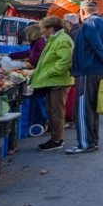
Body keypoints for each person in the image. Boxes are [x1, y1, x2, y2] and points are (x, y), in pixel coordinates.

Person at [67, 0, 103, 155]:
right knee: (93, 108)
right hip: (98, 70)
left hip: (88, 71)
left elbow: (96, 45)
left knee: (83, 108)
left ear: (82, 11)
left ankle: (85, 143)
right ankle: (92, 141)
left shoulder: (89, 24)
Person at [30, 16, 74, 151]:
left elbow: (65, 62)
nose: (42, 31)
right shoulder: (56, 39)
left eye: (43, 28)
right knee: (52, 112)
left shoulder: (62, 39)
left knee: (56, 113)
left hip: (58, 81)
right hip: (53, 81)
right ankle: (55, 139)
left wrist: (49, 73)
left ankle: (57, 140)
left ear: (51, 28)